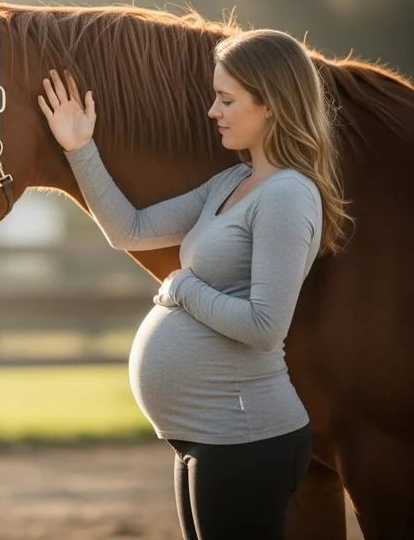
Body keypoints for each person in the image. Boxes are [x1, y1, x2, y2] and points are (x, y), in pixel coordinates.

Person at [38, 29, 349, 539]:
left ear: (270, 104)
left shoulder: (288, 195)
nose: (213, 111)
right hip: (207, 433)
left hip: (245, 435)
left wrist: (182, 288)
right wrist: (79, 147)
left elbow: (266, 327)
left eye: (226, 99)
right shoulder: (233, 182)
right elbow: (130, 230)